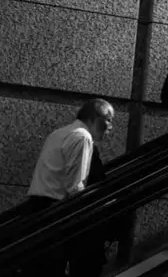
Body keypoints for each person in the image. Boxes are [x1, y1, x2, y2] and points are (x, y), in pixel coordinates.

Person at [23, 99, 115, 277]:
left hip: (37, 206)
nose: (110, 127)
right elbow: (75, 187)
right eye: (109, 120)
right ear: (93, 118)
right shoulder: (82, 137)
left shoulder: (59, 133)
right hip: (56, 210)